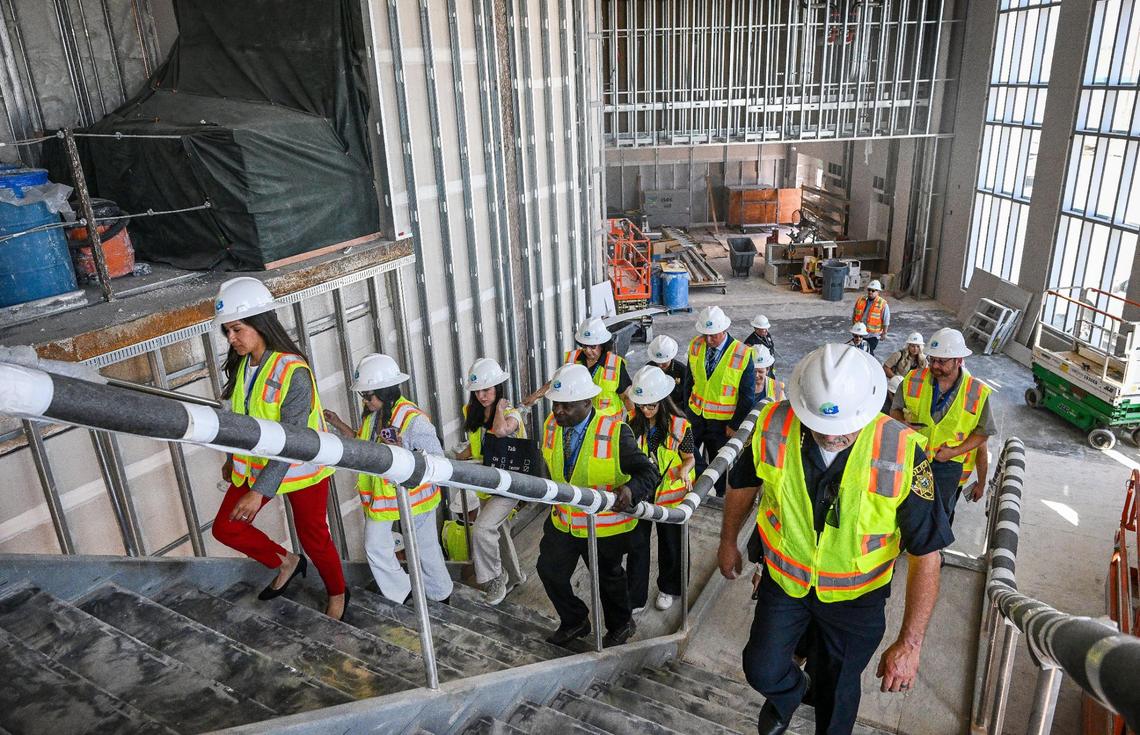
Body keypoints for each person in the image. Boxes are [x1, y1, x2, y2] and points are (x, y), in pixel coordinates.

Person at [719, 344, 952, 735]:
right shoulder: (774, 425)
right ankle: (791, 693)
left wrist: (910, 644)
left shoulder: (901, 451)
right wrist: (728, 540)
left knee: (838, 694)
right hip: (785, 582)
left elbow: (927, 554)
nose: (835, 435)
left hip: (856, 600)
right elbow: (743, 483)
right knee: (761, 667)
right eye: (824, 424)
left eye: (847, 424)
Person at [209, 277, 347, 620]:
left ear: (260, 323)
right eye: (227, 331)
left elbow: (294, 442)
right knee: (226, 528)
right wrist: (231, 459)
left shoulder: (293, 371)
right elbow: (239, 417)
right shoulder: (242, 364)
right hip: (255, 466)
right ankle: (287, 562)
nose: (231, 338)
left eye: (237, 329)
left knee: (315, 538)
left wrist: (258, 492)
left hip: (302, 469)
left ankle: (339, 593)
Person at [535, 363, 658, 647]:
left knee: (608, 580)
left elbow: (648, 473)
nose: (558, 412)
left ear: (587, 402)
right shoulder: (551, 426)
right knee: (549, 570)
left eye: (566, 406)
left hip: (603, 527)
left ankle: (621, 625)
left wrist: (630, 490)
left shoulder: (615, 432)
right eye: (556, 405)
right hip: (564, 521)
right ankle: (575, 620)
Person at [324, 354, 454, 605]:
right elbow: (365, 446)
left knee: (425, 551)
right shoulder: (374, 415)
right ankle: (405, 595)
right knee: (375, 545)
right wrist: (338, 423)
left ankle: (441, 596)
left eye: (369, 396)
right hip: (384, 500)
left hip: (416, 498)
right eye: (364, 396)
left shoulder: (413, 419)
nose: (366, 401)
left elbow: (437, 460)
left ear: (385, 391)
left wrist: (401, 449)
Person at [891, 327, 996, 526]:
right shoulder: (913, 379)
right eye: (932, 359)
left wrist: (954, 452)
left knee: (940, 513)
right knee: (908, 507)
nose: (934, 365)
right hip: (914, 456)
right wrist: (902, 424)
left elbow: (983, 434)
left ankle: (933, 553)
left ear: (958, 360)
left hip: (948, 465)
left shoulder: (977, 391)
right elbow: (895, 410)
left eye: (941, 361)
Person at [453, 357, 528, 606]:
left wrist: (497, 409)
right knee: (498, 530)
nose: (482, 396)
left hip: (512, 482)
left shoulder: (511, 414)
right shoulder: (471, 412)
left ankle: (496, 577)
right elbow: (476, 447)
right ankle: (515, 576)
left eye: (487, 390)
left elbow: (500, 432)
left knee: (483, 529)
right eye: (477, 392)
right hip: (487, 482)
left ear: (498, 388)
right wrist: (453, 456)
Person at [625, 366, 696, 614]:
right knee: (636, 545)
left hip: (670, 496)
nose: (645, 410)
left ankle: (671, 588)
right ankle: (635, 596)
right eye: (641, 405)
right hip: (641, 494)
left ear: (662, 402)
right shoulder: (631, 425)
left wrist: (684, 471)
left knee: (672, 544)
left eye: (651, 406)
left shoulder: (680, 426)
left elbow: (689, 458)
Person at [685, 305, 755, 496]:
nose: (708, 340)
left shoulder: (742, 353)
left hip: (723, 422)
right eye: (705, 334)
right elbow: (689, 381)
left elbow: (747, 395)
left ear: (725, 330)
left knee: (720, 462)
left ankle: (720, 496)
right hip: (696, 416)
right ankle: (698, 488)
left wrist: (735, 424)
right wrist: (686, 411)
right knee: (685, 450)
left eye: (713, 335)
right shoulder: (696, 345)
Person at [522, 317, 632, 417]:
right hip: (578, 422)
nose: (588, 351)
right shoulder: (572, 359)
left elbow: (627, 397)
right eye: (585, 346)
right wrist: (535, 396)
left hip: (606, 426)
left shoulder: (615, 365)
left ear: (602, 344)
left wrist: (634, 423)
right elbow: (558, 382)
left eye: (593, 347)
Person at [646, 334, 690, 409]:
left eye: (663, 362)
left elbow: (688, 398)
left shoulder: (683, 371)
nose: (660, 365)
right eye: (657, 361)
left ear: (671, 356)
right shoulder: (649, 369)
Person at [852, 280, 890, 354]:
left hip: (872, 335)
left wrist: (884, 333)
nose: (870, 292)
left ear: (878, 292)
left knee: (868, 352)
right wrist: (854, 328)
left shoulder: (883, 304)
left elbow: (886, 320)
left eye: (873, 290)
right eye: (869, 290)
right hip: (859, 333)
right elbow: (854, 314)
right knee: (857, 351)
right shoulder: (860, 300)